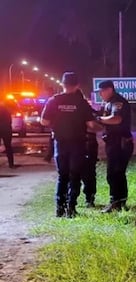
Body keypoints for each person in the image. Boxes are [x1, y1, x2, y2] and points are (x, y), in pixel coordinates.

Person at [40, 72, 101, 218]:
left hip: (60, 143)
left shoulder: (53, 100)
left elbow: (44, 121)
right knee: (75, 176)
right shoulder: (81, 103)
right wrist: (102, 127)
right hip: (77, 144)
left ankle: (59, 208)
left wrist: (58, 122)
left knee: (62, 176)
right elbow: (91, 124)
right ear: (77, 85)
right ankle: (71, 208)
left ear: (62, 84)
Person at [95, 80, 133, 213]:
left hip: (120, 143)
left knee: (114, 173)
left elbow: (116, 119)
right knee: (118, 173)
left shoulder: (117, 102)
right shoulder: (107, 103)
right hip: (114, 143)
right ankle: (120, 202)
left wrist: (98, 119)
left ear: (110, 89)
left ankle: (115, 202)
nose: (100, 94)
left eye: (102, 91)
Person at [76, 89, 99, 207]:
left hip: (79, 143)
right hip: (88, 142)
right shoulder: (86, 108)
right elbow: (95, 125)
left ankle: (72, 199)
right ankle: (89, 198)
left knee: (74, 171)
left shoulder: (68, 109)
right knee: (89, 172)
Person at [0, 101, 15, 168]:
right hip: (6, 130)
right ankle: (11, 164)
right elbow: (9, 121)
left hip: (4, 129)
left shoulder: (5, 110)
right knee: (8, 146)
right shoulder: (6, 110)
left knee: (8, 146)